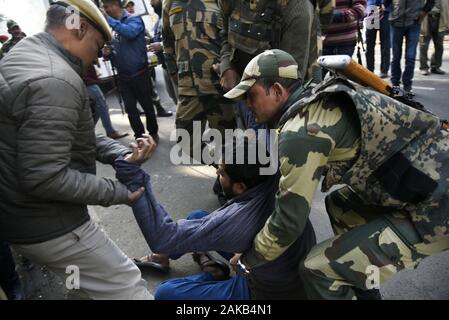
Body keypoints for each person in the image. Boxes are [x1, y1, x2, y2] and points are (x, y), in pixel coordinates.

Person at [224, 49, 449, 300]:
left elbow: (289, 221)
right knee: (341, 204)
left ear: (277, 91)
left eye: (251, 95)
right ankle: (365, 288)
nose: (246, 104)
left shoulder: (302, 132)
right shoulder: (317, 97)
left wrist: (249, 260)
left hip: (437, 209)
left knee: (318, 270)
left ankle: (348, 276)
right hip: (425, 183)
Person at [0, 0, 154, 300]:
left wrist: (119, 152)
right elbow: (45, 177)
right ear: (80, 28)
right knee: (126, 284)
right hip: (46, 222)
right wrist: (120, 192)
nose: (97, 59)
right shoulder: (55, 78)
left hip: (18, 214)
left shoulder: (28, 54)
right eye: (98, 46)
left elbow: (64, 132)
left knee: (82, 286)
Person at [115, 139, 316, 300]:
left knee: (166, 293)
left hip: (264, 292)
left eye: (221, 172)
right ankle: (162, 257)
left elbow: (163, 236)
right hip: (283, 267)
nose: (217, 174)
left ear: (240, 187)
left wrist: (133, 175)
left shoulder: (238, 221)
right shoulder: (278, 176)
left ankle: (212, 273)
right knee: (197, 217)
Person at [162, 0, 235, 161]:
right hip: (188, 87)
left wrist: (228, 68)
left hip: (219, 87)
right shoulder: (169, 4)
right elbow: (167, 40)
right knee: (185, 139)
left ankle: (230, 177)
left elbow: (232, 36)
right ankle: (219, 166)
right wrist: (173, 71)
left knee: (229, 142)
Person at [102, 0, 168, 143]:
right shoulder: (113, 26)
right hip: (123, 76)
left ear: (115, 5)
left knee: (147, 106)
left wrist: (109, 20)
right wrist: (107, 52)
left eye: (106, 6)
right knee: (130, 109)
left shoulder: (134, 19)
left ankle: (153, 133)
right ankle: (139, 136)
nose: (105, 10)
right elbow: (114, 46)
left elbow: (130, 33)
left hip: (139, 73)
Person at [386, 0, 435, 96]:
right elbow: (386, 2)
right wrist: (392, 12)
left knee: (410, 57)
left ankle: (407, 86)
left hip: (414, 23)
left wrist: (423, 12)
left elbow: (431, 1)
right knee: (396, 56)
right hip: (396, 23)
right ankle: (395, 85)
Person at [83, 63, 129, 139]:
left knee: (97, 108)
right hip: (88, 82)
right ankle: (110, 131)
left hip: (88, 81)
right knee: (101, 106)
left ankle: (89, 132)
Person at [419, 0, 449, 75]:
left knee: (439, 45)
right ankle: (423, 67)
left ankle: (435, 66)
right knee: (424, 45)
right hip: (426, 18)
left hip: (440, 18)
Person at [365, 0, 391, 78]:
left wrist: (384, 4)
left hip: (385, 11)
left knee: (385, 44)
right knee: (370, 44)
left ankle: (384, 70)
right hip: (372, 10)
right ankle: (369, 70)